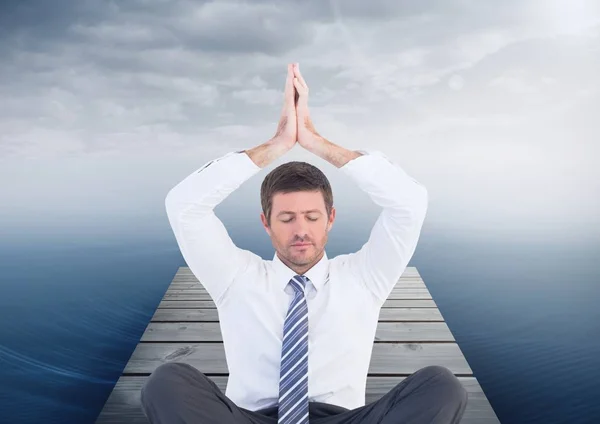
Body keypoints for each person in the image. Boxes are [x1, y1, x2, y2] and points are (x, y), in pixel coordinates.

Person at [141, 63, 467, 423]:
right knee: (165, 381)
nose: (301, 230)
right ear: (266, 223)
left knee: (443, 385)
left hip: (342, 419)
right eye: (287, 218)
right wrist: (276, 145)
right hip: (252, 418)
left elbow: (409, 203)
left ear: (331, 218)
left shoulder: (363, 278)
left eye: (312, 217)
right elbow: (183, 206)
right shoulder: (236, 277)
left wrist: (317, 143)